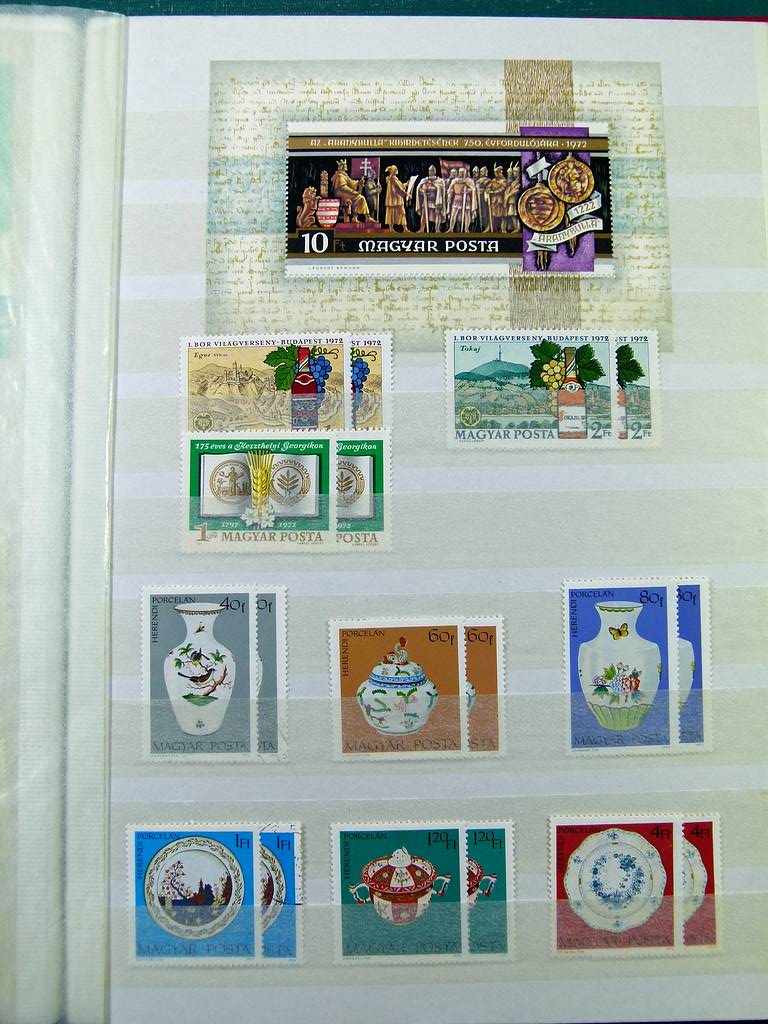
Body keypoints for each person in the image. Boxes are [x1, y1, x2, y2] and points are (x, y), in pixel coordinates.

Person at [414, 165, 446, 233]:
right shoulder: (424, 180)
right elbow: (419, 189)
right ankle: (422, 229)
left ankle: (437, 229)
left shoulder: (440, 181)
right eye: (430, 171)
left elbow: (442, 190)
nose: (431, 172)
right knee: (423, 215)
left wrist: (434, 186)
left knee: (437, 214)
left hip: (436, 201)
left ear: (435, 171)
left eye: (432, 171)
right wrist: (422, 191)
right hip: (426, 201)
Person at [446, 167, 477, 233]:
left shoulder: (469, 181)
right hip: (457, 198)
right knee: (453, 214)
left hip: (466, 199)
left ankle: (466, 229)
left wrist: (468, 189)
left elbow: (474, 190)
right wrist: (449, 195)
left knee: (467, 214)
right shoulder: (455, 180)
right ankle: (450, 229)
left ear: (465, 173)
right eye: (461, 172)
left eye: (463, 172)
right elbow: (450, 189)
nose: (462, 174)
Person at [383, 165, 409, 232]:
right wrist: (407, 194)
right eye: (395, 169)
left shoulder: (395, 179)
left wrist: (407, 184)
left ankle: (405, 228)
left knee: (402, 213)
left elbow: (401, 186)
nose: (397, 170)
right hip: (392, 200)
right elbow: (400, 188)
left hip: (397, 199)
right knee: (391, 214)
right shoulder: (390, 178)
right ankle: (391, 229)